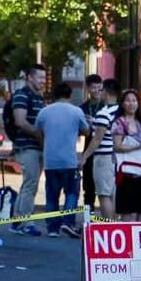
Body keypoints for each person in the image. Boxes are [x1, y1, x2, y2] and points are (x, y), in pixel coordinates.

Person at [35, 83, 91, 237]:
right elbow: (86, 131)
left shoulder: (44, 112)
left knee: (52, 194)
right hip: (69, 160)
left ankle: (52, 228)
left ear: (54, 95)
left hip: (50, 160)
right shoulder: (76, 111)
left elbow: (37, 131)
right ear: (70, 95)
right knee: (71, 193)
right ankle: (68, 222)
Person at [9, 64, 47, 235]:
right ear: (29, 77)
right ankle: (26, 222)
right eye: (39, 77)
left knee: (29, 184)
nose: (43, 81)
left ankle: (17, 222)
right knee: (30, 183)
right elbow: (20, 121)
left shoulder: (39, 97)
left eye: (44, 78)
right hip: (27, 146)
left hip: (37, 146)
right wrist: (39, 135)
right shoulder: (21, 95)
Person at [81, 78, 120, 220]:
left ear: (106, 93)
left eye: (101, 89)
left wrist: (84, 157)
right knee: (114, 193)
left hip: (104, 157)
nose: (99, 91)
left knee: (104, 195)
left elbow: (97, 138)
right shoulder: (120, 111)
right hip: (118, 156)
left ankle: (109, 226)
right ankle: (115, 224)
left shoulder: (104, 113)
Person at [111, 89, 141, 221]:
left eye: (134, 100)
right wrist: (138, 146)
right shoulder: (119, 123)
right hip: (125, 170)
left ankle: (140, 237)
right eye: (128, 100)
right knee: (126, 208)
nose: (131, 104)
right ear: (122, 104)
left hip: (140, 169)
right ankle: (127, 237)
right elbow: (118, 146)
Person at [79, 73, 105, 211]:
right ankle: (88, 220)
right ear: (88, 89)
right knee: (88, 188)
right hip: (88, 149)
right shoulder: (82, 107)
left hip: (104, 151)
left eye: (99, 88)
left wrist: (94, 122)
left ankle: (107, 220)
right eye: (93, 88)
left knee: (104, 189)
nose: (96, 91)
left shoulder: (106, 106)